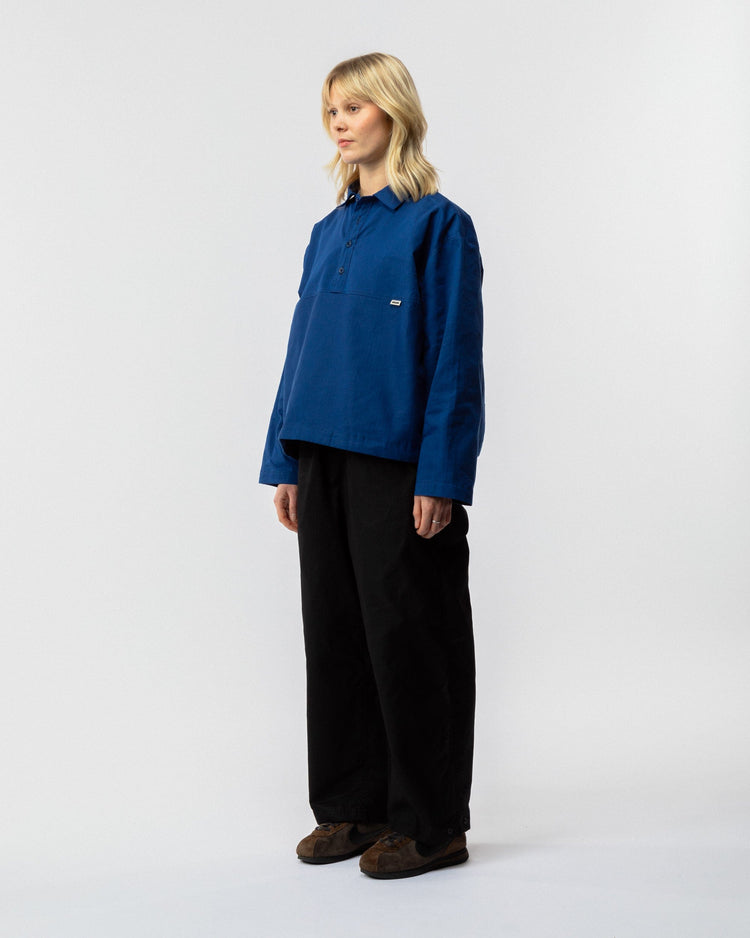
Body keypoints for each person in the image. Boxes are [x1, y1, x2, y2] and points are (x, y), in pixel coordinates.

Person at [259, 52, 484, 880]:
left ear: (394, 111)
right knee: (336, 634)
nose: (340, 123)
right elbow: (302, 350)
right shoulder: (329, 232)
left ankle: (430, 825)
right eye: (331, 110)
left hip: (397, 457)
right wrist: (282, 458)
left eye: (354, 107)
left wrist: (441, 474)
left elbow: (456, 358)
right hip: (319, 452)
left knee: (410, 636)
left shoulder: (438, 226)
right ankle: (353, 806)